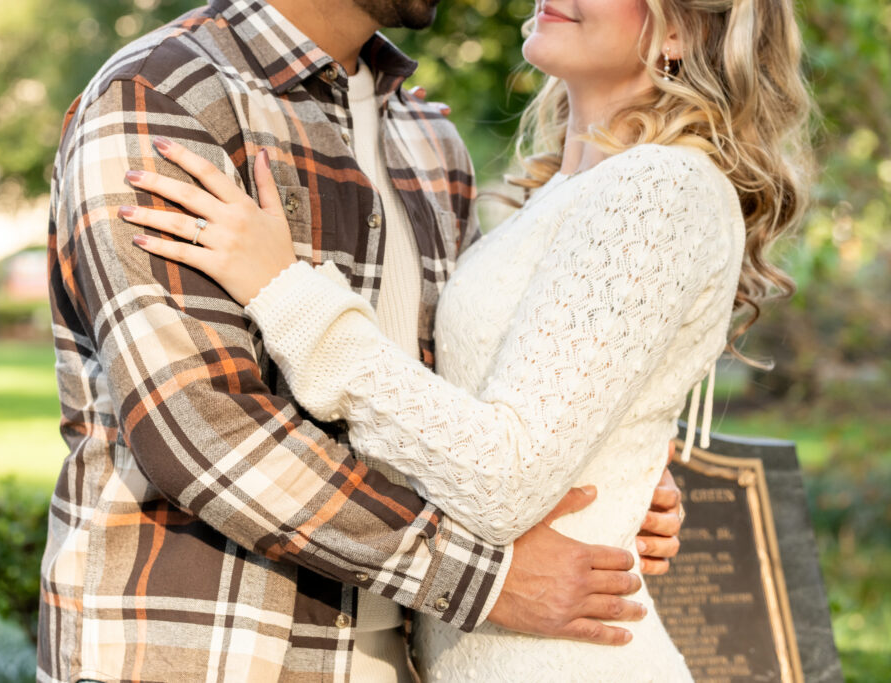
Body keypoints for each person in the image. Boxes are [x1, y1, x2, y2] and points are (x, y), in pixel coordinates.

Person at [122, 0, 813, 679]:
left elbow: (505, 479)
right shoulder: (568, 192)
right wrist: (607, 467)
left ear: (684, 28)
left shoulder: (658, 187)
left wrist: (288, 293)